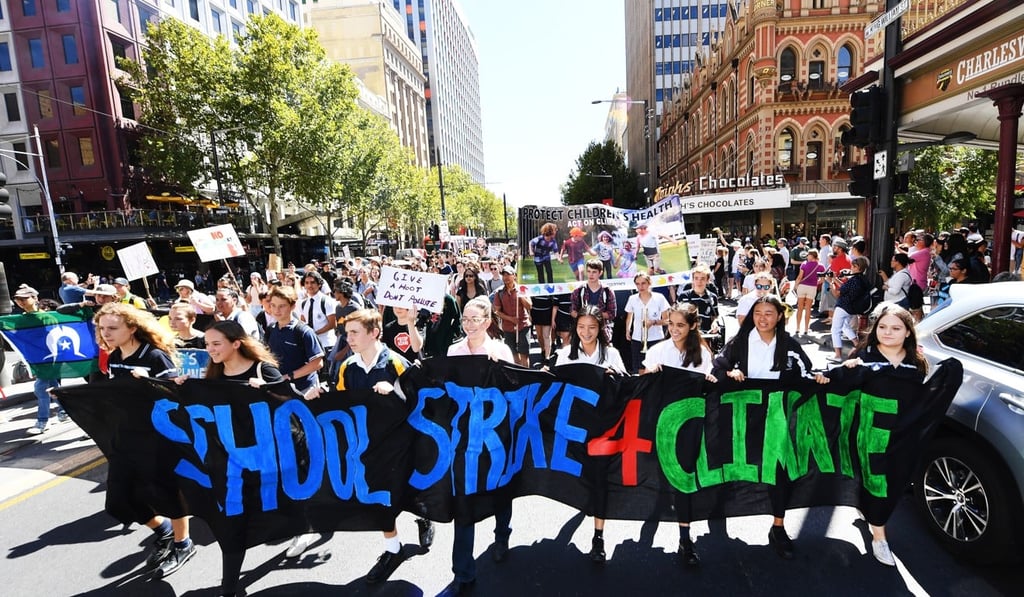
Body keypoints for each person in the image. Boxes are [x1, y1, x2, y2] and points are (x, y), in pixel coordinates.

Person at [711, 295, 828, 560]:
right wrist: (729, 374)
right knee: (734, 465)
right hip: (741, 419)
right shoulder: (739, 343)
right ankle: (719, 510)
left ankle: (778, 526)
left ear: (779, 317)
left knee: (779, 472)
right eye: (758, 313)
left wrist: (819, 377)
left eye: (769, 313)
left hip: (776, 421)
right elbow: (717, 368)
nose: (762, 318)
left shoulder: (788, 346)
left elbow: (808, 372)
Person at [93, 303, 195, 576]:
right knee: (118, 500)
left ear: (132, 328)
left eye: (113, 328)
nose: (107, 333)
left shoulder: (155, 357)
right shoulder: (114, 357)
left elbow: (175, 396)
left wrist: (149, 381)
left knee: (166, 492)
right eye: (102, 328)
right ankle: (163, 531)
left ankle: (183, 542)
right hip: (126, 437)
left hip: (157, 437)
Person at [335, 309, 433, 584]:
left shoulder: (397, 363)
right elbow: (341, 403)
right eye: (347, 332)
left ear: (374, 333)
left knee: (411, 492)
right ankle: (394, 549)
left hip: (402, 445)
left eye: (355, 332)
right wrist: (320, 396)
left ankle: (425, 518)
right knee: (379, 500)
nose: (348, 338)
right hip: (369, 446)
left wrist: (396, 392)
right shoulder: (347, 367)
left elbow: (421, 399)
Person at [835, 303, 927, 566]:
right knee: (878, 482)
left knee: (893, 480)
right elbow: (840, 390)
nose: (888, 333)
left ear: (908, 332)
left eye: (896, 328)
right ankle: (880, 537)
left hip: (902, 435)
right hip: (870, 433)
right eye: (883, 327)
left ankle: (868, 511)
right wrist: (845, 371)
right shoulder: (863, 356)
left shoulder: (916, 362)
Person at [445, 296, 514, 594]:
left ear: (487, 322)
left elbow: (516, 391)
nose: (469, 325)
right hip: (463, 440)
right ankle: (463, 571)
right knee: (464, 501)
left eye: (475, 320)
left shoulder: (500, 350)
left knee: (501, 490)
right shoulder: (453, 351)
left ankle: (501, 536)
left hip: (495, 437)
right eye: (465, 320)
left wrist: (503, 372)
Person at [550, 305, 626, 563]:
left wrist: (616, 378)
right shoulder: (564, 355)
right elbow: (552, 387)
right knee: (584, 479)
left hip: (604, 429)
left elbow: (627, 386)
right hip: (575, 430)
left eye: (592, 327)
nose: (586, 332)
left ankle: (598, 536)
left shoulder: (612, 354)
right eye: (581, 327)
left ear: (600, 328)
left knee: (601, 481)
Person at [4, 286, 68, 434]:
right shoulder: (21, 319)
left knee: (41, 388)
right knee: (53, 388)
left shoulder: (47, 317)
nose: (21, 302)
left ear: (35, 298)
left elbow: (55, 340)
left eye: (24, 298)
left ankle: (42, 421)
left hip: (50, 360)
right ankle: (65, 410)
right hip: (36, 360)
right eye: (18, 299)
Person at [624, 272, 671, 373]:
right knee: (640, 368)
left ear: (649, 283)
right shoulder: (632, 299)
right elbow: (629, 316)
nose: (640, 286)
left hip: (656, 338)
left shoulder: (659, 297)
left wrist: (653, 322)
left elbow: (667, 320)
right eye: (637, 284)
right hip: (637, 338)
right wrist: (627, 330)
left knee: (657, 368)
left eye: (643, 283)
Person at [830, 256, 872, 361]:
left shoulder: (853, 280)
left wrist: (831, 284)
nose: (851, 267)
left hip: (843, 306)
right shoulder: (863, 280)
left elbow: (837, 293)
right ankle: (858, 345)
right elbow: (845, 289)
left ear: (858, 267)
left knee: (835, 330)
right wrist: (835, 279)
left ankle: (838, 355)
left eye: (854, 266)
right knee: (845, 326)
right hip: (853, 308)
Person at [492, 265, 533, 367]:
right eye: (504, 275)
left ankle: (526, 376)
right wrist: (510, 319)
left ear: (514, 276)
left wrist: (521, 295)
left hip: (523, 326)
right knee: (513, 355)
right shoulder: (499, 292)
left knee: (524, 355)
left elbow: (529, 306)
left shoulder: (522, 289)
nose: (505, 277)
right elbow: (496, 311)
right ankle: (518, 377)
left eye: (508, 274)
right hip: (508, 328)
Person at [570, 259, 617, 344]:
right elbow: (572, 311)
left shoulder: (607, 291)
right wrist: (585, 317)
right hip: (583, 333)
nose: (591, 275)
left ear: (600, 273)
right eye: (588, 271)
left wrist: (594, 314)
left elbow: (612, 313)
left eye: (594, 272)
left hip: (603, 331)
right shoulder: (578, 290)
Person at [298, 271, 338, 352]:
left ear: (319, 284)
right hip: (311, 345)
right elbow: (302, 321)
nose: (309, 285)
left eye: (313, 282)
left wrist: (315, 333)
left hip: (326, 344)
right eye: (307, 283)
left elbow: (332, 324)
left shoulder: (326, 301)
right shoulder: (304, 303)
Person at [792, 248, 824, 336]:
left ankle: (797, 328)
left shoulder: (804, 264)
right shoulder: (820, 266)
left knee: (800, 308)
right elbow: (822, 280)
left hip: (802, 286)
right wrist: (815, 283)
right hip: (812, 287)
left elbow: (799, 277)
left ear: (811, 256)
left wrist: (795, 286)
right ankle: (806, 329)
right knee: (808, 309)